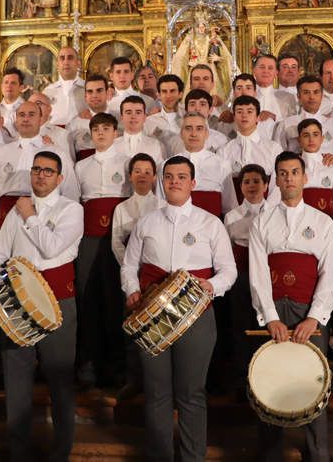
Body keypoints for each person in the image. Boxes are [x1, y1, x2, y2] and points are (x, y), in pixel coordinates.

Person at [120, 155, 236, 462]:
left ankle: (192, 457)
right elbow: (129, 266)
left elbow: (228, 271)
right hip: (152, 315)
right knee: (157, 394)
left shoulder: (210, 223)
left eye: (181, 177)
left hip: (195, 315)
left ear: (193, 183)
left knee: (191, 394)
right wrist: (132, 291)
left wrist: (212, 286)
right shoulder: (146, 222)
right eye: (169, 176)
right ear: (162, 181)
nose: (174, 182)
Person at [0, 150, 82, 461]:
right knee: (16, 381)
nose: (40, 175)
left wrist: (29, 214)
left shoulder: (72, 210)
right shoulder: (16, 210)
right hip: (15, 301)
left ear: (60, 178)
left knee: (60, 379)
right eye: (37, 169)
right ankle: (19, 452)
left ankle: (61, 452)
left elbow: (51, 247)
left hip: (57, 301)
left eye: (48, 171)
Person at [248, 151, 333, 462]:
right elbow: (258, 274)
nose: (289, 178)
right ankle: (270, 453)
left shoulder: (322, 222)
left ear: (305, 177)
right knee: (269, 380)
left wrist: (314, 318)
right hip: (274, 309)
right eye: (283, 173)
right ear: (276, 180)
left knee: (313, 382)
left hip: (308, 312)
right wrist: (270, 317)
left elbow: (330, 275)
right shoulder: (261, 221)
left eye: (294, 172)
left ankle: (318, 452)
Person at [74, 113, 131, 388]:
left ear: (115, 132)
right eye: (96, 129)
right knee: (88, 297)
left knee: (115, 299)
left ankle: (117, 365)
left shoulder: (128, 162)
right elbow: (74, 202)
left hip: (118, 237)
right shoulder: (81, 166)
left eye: (106, 129)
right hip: (89, 238)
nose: (100, 134)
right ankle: (88, 364)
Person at [110, 153, 162, 399]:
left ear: (154, 177)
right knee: (133, 329)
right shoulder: (121, 208)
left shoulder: (162, 206)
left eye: (147, 171)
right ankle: (134, 379)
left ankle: (157, 383)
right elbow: (116, 243)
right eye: (137, 171)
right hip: (132, 278)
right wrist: (132, 271)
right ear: (130, 176)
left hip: (157, 279)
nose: (142, 176)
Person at [0, 101, 78, 227]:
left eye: (31, 115)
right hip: (6, 214)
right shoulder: (2, 153)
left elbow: (70, 191)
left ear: (41, 119)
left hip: (44, 214)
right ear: (15, 120)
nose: (26, 119)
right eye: (22, 115)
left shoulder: (56, 153)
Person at [223, 163, 269, 399]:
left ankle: (264, 379)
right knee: (241, 327)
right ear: (240, 187)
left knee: (265, 326)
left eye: (256, 181)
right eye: (247, 182)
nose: (252, 186)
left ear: (266, 185)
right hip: (240, 277)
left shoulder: (274, 212)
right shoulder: (231, 217)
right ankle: (243, 380)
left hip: (268, 278)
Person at [163, 112, 236, 217]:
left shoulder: (222, 164)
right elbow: (161, 205)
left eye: (199, 128)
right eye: (188, 128)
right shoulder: (166, 165)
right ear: (181, 133)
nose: (193, 134)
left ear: (207, 134)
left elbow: (230, 208)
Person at [217, 95, 282, 205]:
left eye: (250, 111)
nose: (244, 115)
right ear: (234, 117)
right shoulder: (224, 151)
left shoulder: (273, 148)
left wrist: (268, 210)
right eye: (239, 111)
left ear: (258, 117)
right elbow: (224, 187)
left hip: (268, 212)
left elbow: (277, 185)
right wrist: (235, 213)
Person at [274, 75, 333, 155]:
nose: (311, 97)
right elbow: (277, 155)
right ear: (298, 96)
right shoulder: (286, 125)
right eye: (306, 92)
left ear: (322, 96)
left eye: (316, 92)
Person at [297, 119, 333, 223]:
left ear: (322, 139)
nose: (311, 139)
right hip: (300, 222)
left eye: (315, 134)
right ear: (298, 140)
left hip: (326, 224)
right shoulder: (292, 167)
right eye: (306, 135)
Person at [168, 89, 230, 154]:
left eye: (202, 104)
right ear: (186, 110)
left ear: (210, 110)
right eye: (192, 104)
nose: (197, 108)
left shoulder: (221, 140)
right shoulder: (175, 141)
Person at [68, 74, 113, 161]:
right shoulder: (74, 124)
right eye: (90, 91)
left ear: (107, 93)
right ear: (85, 96)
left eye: (99, 90)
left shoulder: (120, 119)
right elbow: (70, 158)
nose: (94, 95)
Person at [43, 46, 86, 127]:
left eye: (70, 58)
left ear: (78, 63)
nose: (66, 62)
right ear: (57, 64)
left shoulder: (88, 88)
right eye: (62, 58)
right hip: (54, 137)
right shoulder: (48, 91)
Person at [114, 95, 164, 163]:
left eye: (138, 112)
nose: (133, 116)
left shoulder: (154, 145)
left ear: (144, 117)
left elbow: (159, 171)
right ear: (122, 117)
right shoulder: (112, 145)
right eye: (128, 112)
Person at [144, 74, 184, 156]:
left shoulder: (189, 119)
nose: (168, 96)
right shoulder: (149, 121)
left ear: (180, 94)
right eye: (164, 91)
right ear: (158, 95)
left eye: (172, 91)